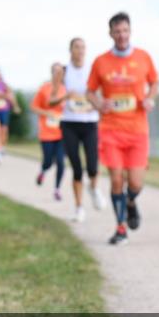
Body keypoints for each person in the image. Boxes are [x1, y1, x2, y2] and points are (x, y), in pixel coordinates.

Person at [86, 12, 159, 245]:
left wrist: (150, 98)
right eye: (117, 31)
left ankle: (130, 202)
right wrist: (99, 103)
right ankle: (120, 228)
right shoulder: (101, 62)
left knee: (135, 183)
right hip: (111, 129)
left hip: (137, 130)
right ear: (110, 33)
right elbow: (90, 91)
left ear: (130, 31)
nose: (121, 35)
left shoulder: (143, 57)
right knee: (117, 179)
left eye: (125, 30)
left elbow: (154, 82)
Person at [61, 37, 106, 223]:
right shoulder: (64, 72)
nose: (80, 50)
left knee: (93, 166)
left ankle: (94, 188)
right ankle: (79, 207)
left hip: (89, 122)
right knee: (77, 169)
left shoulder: (92, 70)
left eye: (83, 47)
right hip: (69, 123)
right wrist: (66, 97)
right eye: (76, 47)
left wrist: (94, 105)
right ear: (70, 50)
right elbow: (52, 99)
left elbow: (101, 95)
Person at [30, 63, 67, 201]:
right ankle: (43, 171)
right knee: (48, 161)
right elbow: (34, 107)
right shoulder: (44, 89)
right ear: (51, 73)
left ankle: (57, 189)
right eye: (56, 71)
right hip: (47, 133)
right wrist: (47, 113)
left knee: (61, 162)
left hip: (62, 132)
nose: (58, 74)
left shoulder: (66, 89)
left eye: (60, 72)